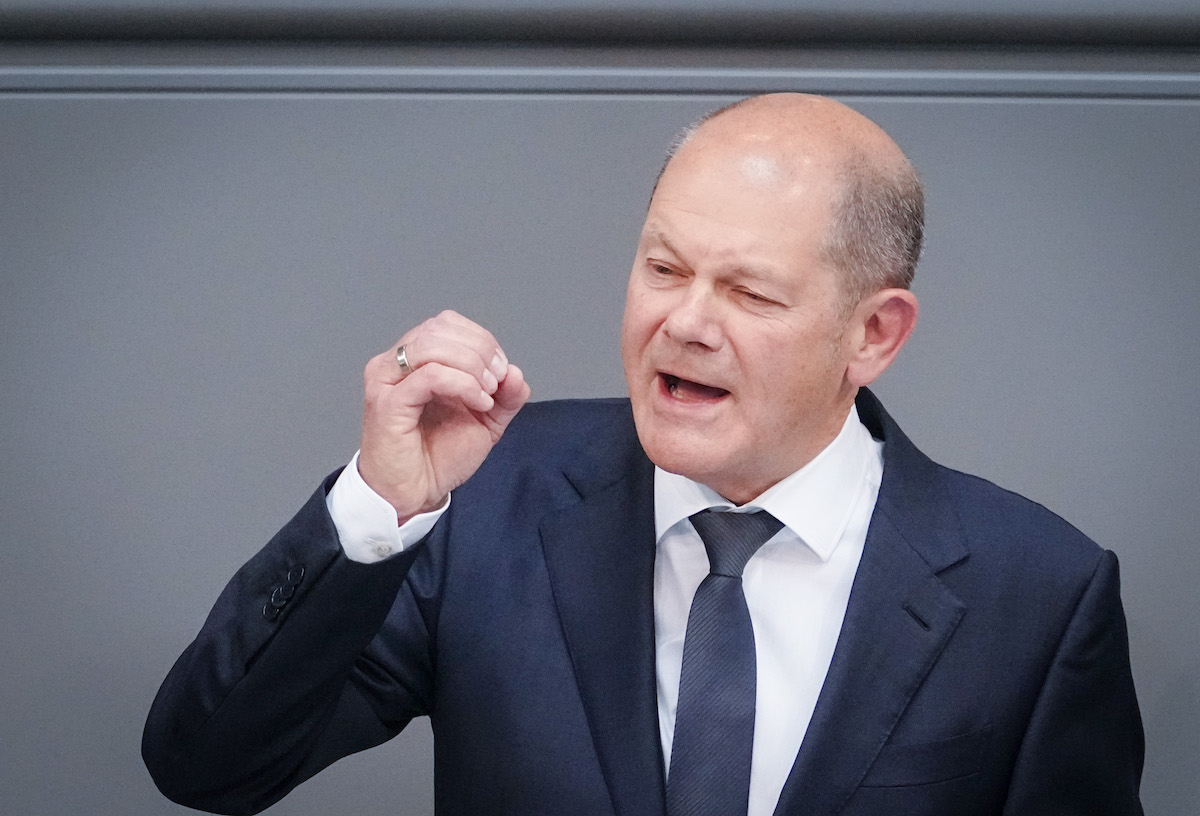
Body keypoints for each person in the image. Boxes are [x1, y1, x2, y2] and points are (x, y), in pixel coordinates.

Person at [143, 93, 1144, 816]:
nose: (684, 323)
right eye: (663, 268)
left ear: (874, 335)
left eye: (751, 294)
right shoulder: (485, 498)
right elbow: (208, 765)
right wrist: (377, 507)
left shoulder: (1041, 596)